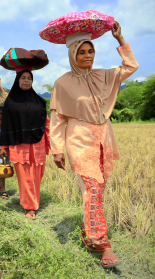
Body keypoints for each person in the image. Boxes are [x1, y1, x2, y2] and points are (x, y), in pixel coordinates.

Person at [50, 21, 138, 268]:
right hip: (79, 141)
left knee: (98, 191)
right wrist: (56, 149)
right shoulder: (62, 83)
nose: (87, 56)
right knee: (93, 189)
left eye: (90, 51)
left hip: (104, 140)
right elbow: (56, 120)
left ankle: (88, 232)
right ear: (72, 54)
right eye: (81, 52)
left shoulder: (103, 75)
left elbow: (131, 65)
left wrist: (120, 39)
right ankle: (102, 244)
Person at [0, 69, 50, 218]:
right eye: (23, 78)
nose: (26, 80)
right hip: (19, 144)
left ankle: (31, 200)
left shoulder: (39, 101)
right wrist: (4, 146)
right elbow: (6, 125)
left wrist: (51, 143)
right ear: (17, 80)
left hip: (38, 145)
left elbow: (46, 123)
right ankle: (30, 207)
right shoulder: (10, 102)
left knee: (37, 175)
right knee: (25, 176)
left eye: (29, 78)